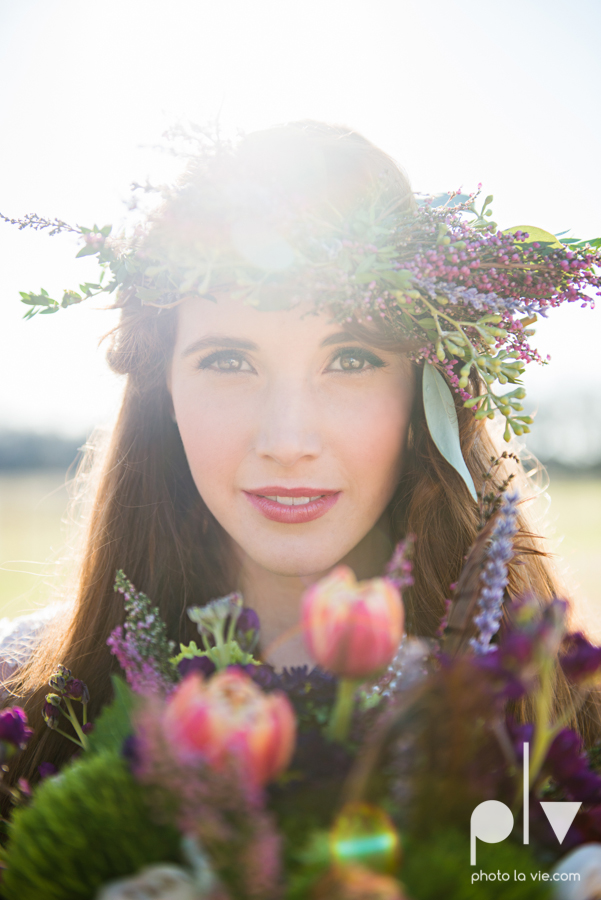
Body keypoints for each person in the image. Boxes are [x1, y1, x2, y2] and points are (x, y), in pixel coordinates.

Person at [4, 120, 601, 787]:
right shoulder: (19, 707)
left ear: (423, 392)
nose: (287, 442)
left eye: (350, 359)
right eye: (228, 360)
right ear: (163, 387)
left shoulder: (571, 725)